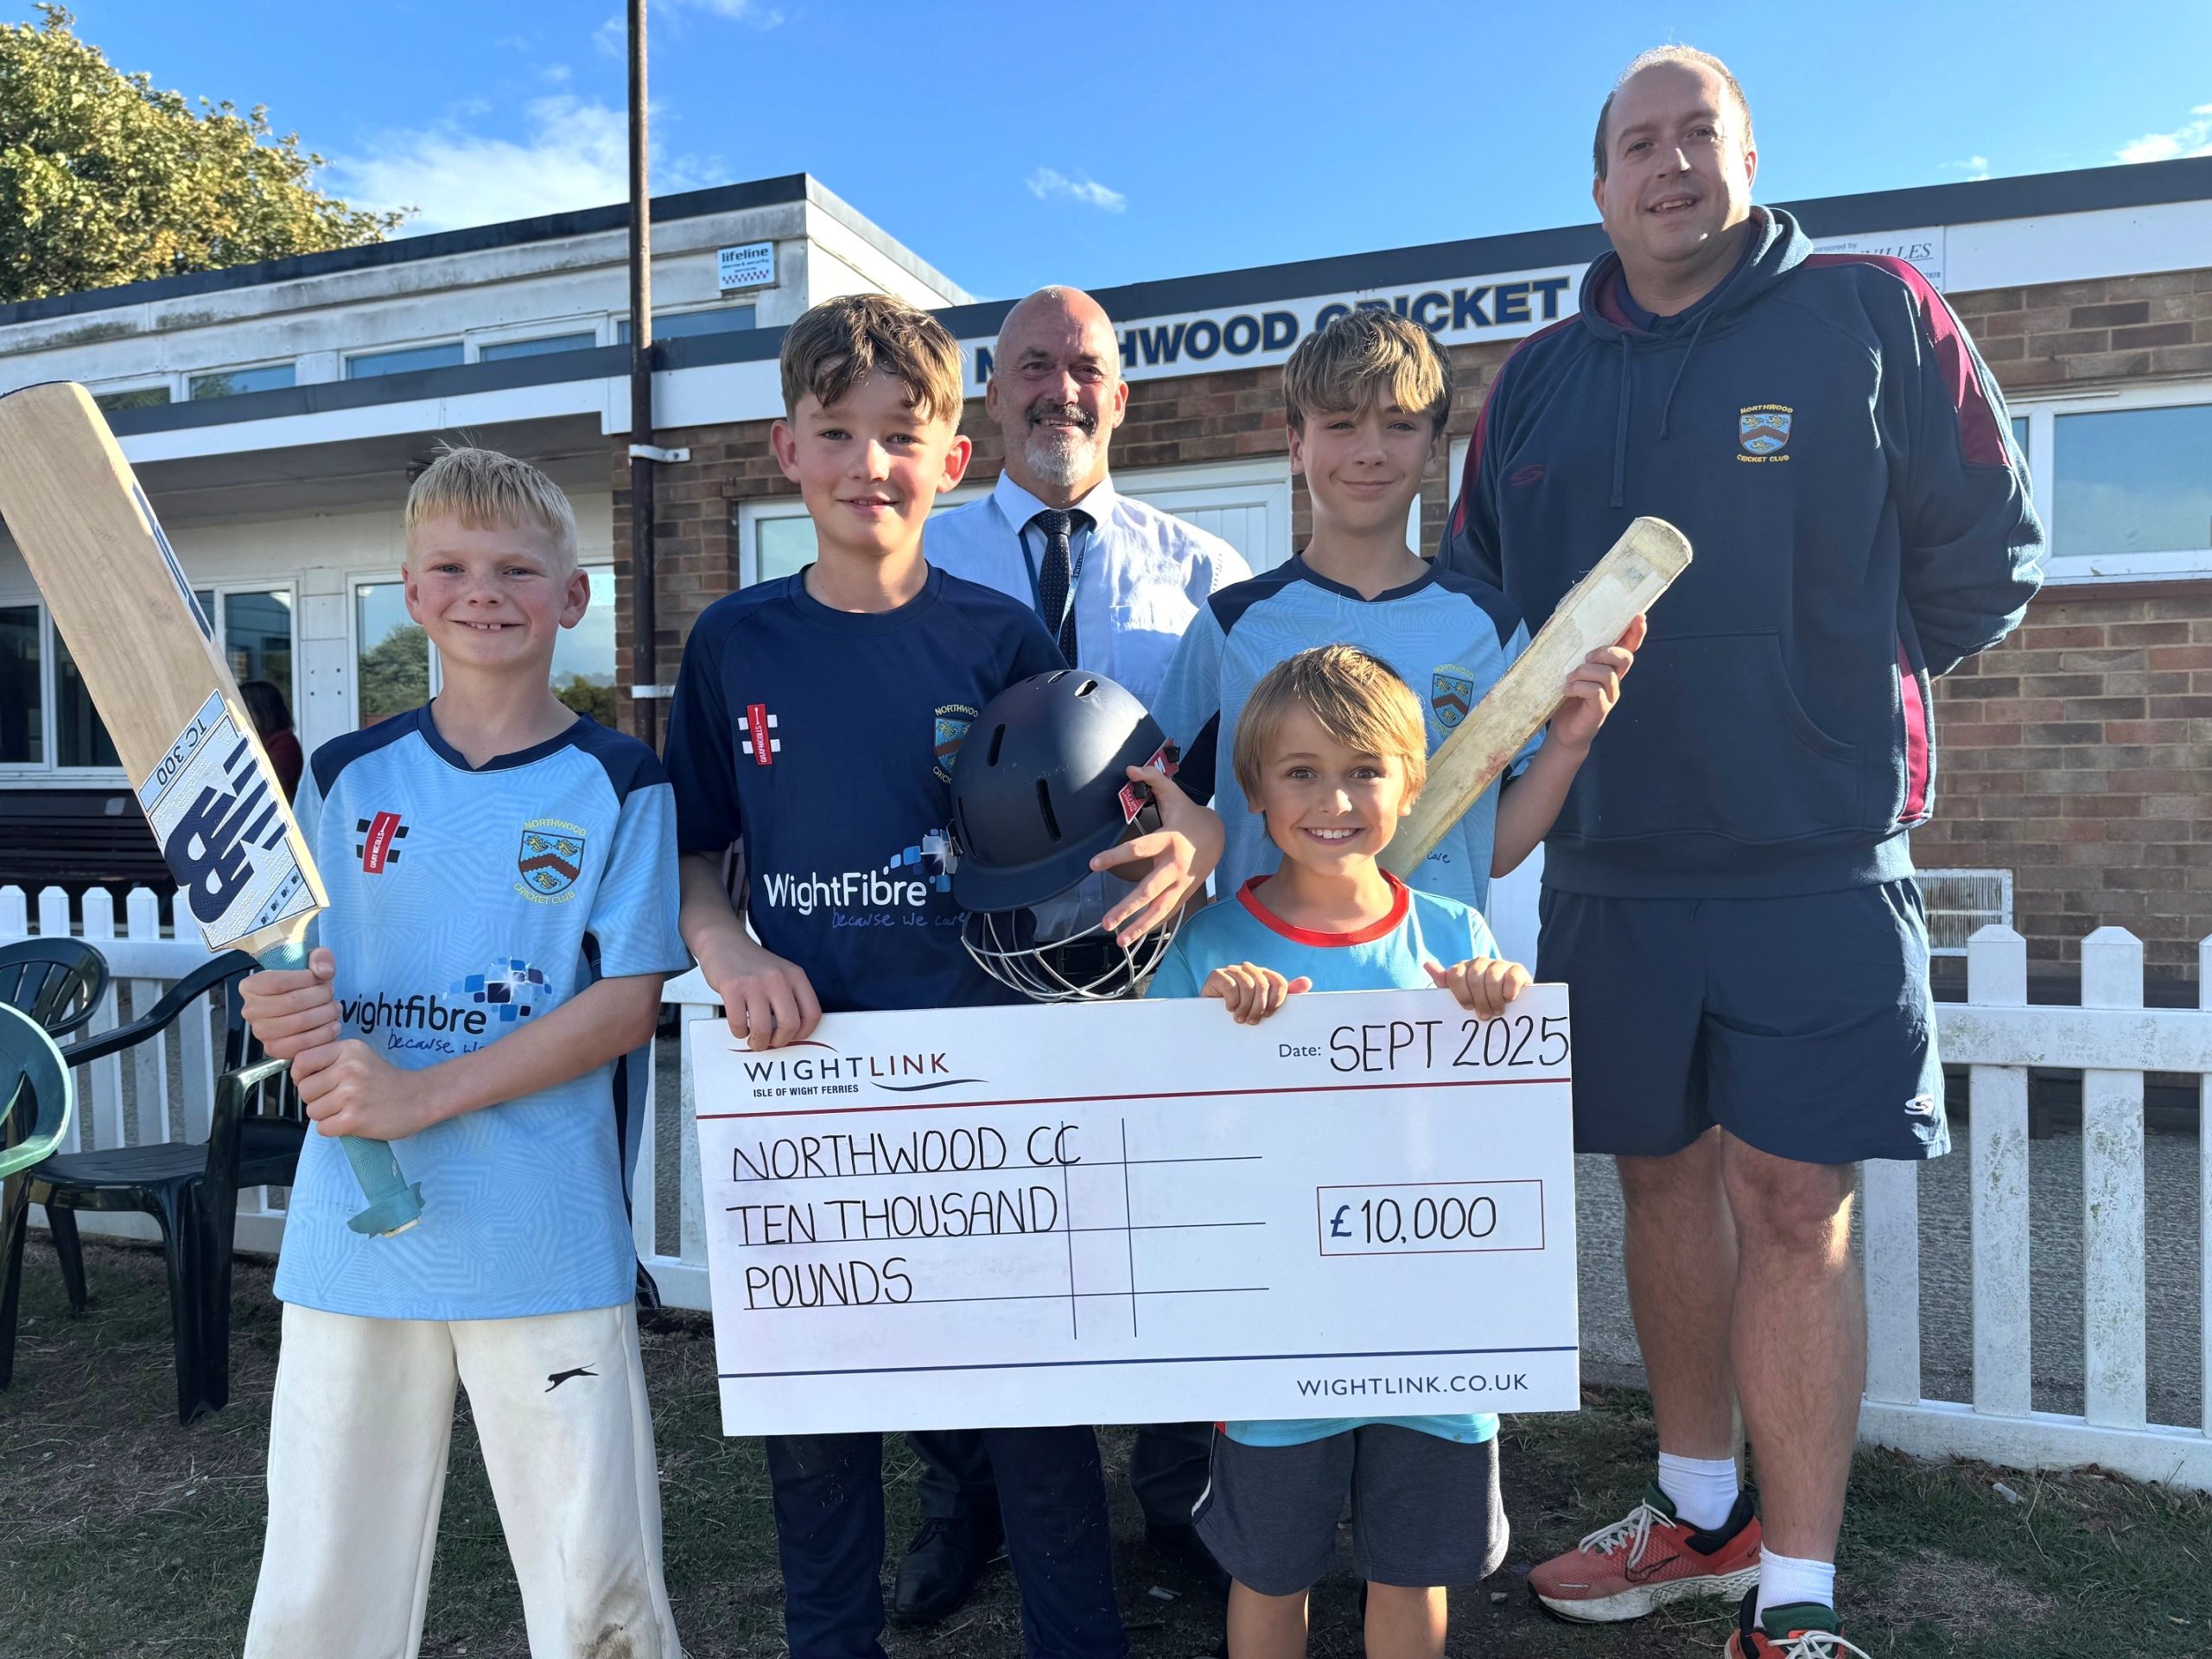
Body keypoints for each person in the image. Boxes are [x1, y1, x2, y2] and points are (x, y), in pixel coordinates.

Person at [1441, 46, 2043, 1659]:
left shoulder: (1873, 317)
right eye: (1635, 144)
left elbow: (1990, 557)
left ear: (1748, 156)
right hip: (1615, 866)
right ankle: (1701, 1516)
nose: (1668, 166)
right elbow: (1476, 599)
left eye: (1696, 134)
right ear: (1597, 185)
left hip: (1816, 860)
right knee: (1659, 1181)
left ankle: (1796, 1602)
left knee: (1794, 1200)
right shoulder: (1537, 385)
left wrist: (1826, 685)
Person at [665, 291, 1220, 1659]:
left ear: (950, 459)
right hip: (812, 1090)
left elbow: (1111, 825)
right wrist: (728, 947)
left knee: (1038, 1425)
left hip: (992, 1072)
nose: (871, 464)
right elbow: (692, 851)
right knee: (824, 1433)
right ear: (783, 449)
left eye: (902, 435)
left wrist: (1193, 842)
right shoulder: (734, 643)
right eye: (836, 433)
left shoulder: (1000, 642)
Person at [235, 448, 690, 1658]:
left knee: (596, 1579)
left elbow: (624, 1005)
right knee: (323, 1578)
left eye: (516, 568)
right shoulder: (342, 777)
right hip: (355, 1241)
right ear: (411, 592)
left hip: (542, 1233)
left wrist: (422, 1091)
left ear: (572, 596)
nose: (484, 590)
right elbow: (295, 976)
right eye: (452, 566)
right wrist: (275, 1014)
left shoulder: (622, 781)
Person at [915, 283, 1249, 1612]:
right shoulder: (926, 566)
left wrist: (1205, 844)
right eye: (1031, 367)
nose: (1060, 389)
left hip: (1148, 963)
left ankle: (1177, 1496)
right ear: (991, 398)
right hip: (967, 967)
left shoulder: (1204, 572)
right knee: (973, 1238)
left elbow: (1239, 776)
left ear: (1125, 395)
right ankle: (965, 1496)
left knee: (1156, 1228)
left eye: (1086, 369)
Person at [1145, 644, 1530, 1659]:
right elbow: (1160, 1142)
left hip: (1431, 1328)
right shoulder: (1206, 949)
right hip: (1276, 1332)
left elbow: (1494, 1131)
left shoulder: (1454, 939)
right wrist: (1214, 1038)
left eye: (1364, 768)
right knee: (1271, 1572)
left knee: (1411, 1569)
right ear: (1256, 793)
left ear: (1410, 782)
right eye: (1301, 772)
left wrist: (1495, 1015)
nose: (1335, 797)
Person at [1153, 308, 1639, 916]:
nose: (1371, 451)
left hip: (1431, 991)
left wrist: (1568, 745)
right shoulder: (1232, 625)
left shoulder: (1488, 626)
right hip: (1269, 996)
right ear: (1296, 445)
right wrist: (1208, 949)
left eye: (1400, 424)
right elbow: (1162, 818)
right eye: (1341, 423)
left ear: (1436, 449)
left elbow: (1487, 849)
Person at [238, 677, 302, 800]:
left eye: (244, 708)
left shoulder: (285, 743)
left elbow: (266, 784)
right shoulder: (256, 739)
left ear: (261, 710)